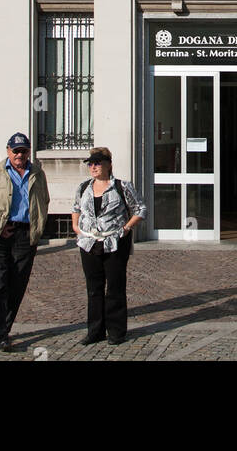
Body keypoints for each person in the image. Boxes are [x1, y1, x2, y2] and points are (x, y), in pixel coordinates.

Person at [0, 132, 49, 352]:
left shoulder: (37, 173)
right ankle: (0, 333)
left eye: (23, 150)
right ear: (8, 151)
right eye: (16, 151)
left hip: (25, 234)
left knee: (17, 283)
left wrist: (38, 225)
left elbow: (44, 200)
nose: (19, 155)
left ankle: (5, 326)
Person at [71, 146, 146, 345]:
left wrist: (127, 228)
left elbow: (140, 208)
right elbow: (76, 207)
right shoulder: (84, 187)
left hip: (114, 242)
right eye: (91, 164)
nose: (93, 167)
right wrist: (75, 226)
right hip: (88, 243)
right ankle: (94, 331)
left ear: (108, 165)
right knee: (93, 289)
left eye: (98, 163)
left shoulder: (122, 186)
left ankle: (116, 332)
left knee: (115, 287)